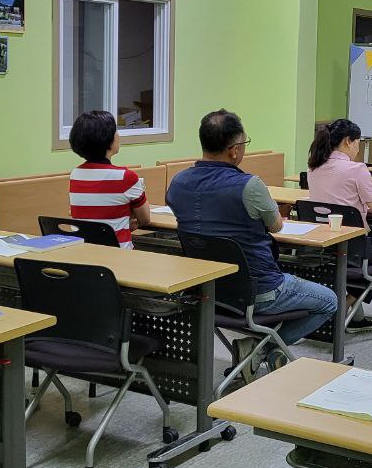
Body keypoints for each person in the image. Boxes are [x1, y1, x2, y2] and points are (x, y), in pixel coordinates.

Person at [168, 110, 337, 345]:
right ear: (234, 149)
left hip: (207, 288)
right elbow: (276, 226)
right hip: (259, 291)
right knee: (330, 301)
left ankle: (257, 349)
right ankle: (263, 348)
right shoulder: (250, 185)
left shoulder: (177, 182)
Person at [306, 118, 372, 333]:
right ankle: (345, 307)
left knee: (360, 260)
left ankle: (354, 315)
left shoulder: (313, 167)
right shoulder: (356, 169)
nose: (357, 149)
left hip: (323, 244)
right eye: (357, 143)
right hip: (354, 247)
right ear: (347, 142)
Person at [67, 110, 152, 248]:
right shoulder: (126, 177)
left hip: (85, 254)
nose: (118, 135)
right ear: (107, 139)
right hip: (118, 257)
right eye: (115, 131)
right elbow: (145, 218)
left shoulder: (75, 174)